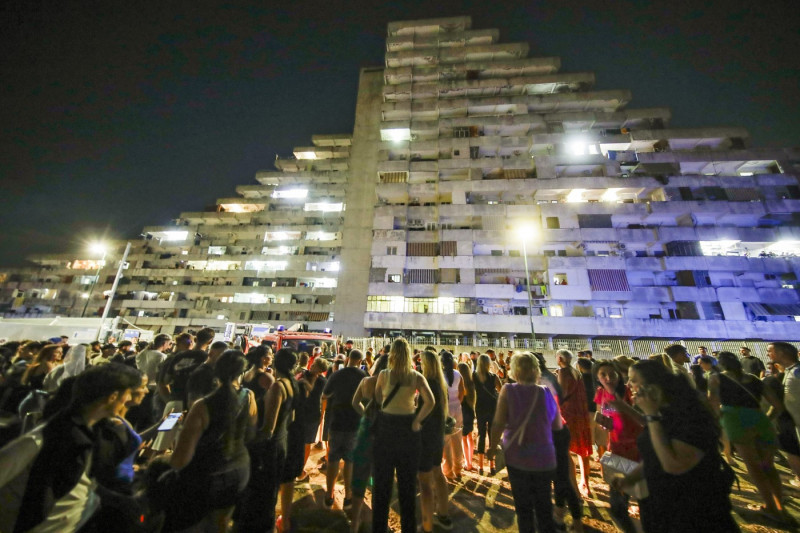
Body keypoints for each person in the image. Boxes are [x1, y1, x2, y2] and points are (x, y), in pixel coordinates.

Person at [612, 360, 740, 532]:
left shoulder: (689, 416)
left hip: (693, 512)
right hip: (660, 505)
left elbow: (673, 464)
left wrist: (651, 415)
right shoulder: (663, 411)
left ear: (653, 383)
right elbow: (654, 456)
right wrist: (628, 479)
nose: (629, 385)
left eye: (634, 380)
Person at [13, 364, 142, 533]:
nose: (127, 400)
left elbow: (85, 485)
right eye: (126, 394)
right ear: (112, 397)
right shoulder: (52, 437)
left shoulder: (91, 434)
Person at [708, 351, 787, 523]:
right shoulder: (753, 378)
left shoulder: (716, 379)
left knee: (753, 466)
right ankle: (781, 506)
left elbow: (712, 403)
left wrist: (720, 418)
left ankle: (770, 507)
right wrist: (765, 418)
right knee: (768, 466)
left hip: (735, 421)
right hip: (760, 420)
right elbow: (777, 405)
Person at [488, 352, 562, 533]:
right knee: (544, 508)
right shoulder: (545, 392)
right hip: (544, 457)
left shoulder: (508, 390)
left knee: (524, 509)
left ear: (515, 370)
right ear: (535, 370)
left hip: (518, 457)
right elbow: (557, 424)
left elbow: (498, 422)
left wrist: (492, 446)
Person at [371, 338, 435, 533]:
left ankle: (379, 528)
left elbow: (377, 398)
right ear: (408, 355)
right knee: (407, 486)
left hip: (386, 429)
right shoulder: (416, 376)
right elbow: (430, 401)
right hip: (408, 430)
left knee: (382, 484)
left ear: (392, 355)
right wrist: (417, 420)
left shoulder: (383, 375)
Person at [235, 348, 296, 532]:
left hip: (245, 429)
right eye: (270, 355)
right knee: (265, 489)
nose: (271, 358)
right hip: (263, 434)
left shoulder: (246, 375)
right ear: (264, 358)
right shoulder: (269, 380)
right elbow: (273, 420)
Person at [594, 361, 643, 533]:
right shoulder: (600, 393)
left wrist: (622, 405)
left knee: (645, 500)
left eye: (611, 374)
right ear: (598, 378)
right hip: (616, 449)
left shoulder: (630, 392)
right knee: (617, 505)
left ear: (619, 374)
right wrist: (603, 424)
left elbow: (644, 421)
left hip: (639, 451)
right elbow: (601, 414)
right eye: (603, 375)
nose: (608, 378)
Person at [321, 349, 367, 509]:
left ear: (348, 359)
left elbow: (325, 394)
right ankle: (348, 495)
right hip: (355, 422)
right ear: (361, 361)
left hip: (337, 420)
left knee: (333, 459)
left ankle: (329, 495)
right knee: (350, 460)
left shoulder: (337, 375)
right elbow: (367, 398)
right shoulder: (363, 377)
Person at [350, 355, 388, 533]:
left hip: (364, 431)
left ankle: (355, 523)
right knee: (379, 479)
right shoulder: (390, 384)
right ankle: (379, 523)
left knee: (360, 478)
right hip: (382, 433)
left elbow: (354, 402)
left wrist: (364, 413)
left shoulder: (365, 381)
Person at [417, 350, 452, 533]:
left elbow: (422, 411)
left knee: (424, 480)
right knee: (438, 473)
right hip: (437, 436)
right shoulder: (440, 384)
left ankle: (427, 523)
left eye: (422, 362)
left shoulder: (428, 384)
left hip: (425, 436)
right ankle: (443, 514)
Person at [555, 349, 593, 497]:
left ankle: (574, 488)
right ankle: (585, 483)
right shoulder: (576, 372)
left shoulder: (563, 372)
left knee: (565, 449)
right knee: (582, 450)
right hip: (579, 412)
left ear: (560, 359)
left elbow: (562, 393)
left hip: (568, 413)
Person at [298, 356, 328, 480]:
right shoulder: (303, 375)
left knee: (307, 443)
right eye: (313, 363)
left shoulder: (321, 381)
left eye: (315, 365)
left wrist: (321, 415)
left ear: (320, 370)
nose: (312, 365)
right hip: (302, 412)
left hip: (311, 414)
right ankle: (298, 470)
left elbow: (324, 398)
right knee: (301, 442)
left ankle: (300, 470)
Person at [473, 353, 501, 475]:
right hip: (492, 407)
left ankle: (480, 466)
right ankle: (492, 465)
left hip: (480, 407)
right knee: (491, 435)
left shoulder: (474, 376)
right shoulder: (493, 377)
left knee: (481, 434)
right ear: (489, 364)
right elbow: (501, 390)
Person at [440, 350, 465, 480]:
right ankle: (458, 469)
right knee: (457, 439)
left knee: (446, 441)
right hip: (457, 408)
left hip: (446, 409)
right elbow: (462, 392)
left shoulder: (440, 375)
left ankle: (448, 470)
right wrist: (457, 403)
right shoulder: (458, 374)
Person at [458, 361, 476, 472]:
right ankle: (470, 462)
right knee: (470, 437)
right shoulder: (471, 383)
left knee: (464, 438)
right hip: (470, 411)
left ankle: (467, 463)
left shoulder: (461, 384)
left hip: (463, 412)